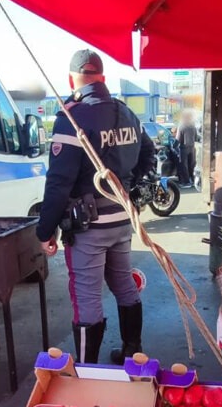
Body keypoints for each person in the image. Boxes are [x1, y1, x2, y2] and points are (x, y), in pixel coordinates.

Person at [37, 50, 156, 364]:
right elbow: (148, 155)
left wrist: (44, 230)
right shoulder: (127, 113)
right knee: (123, 285)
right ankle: (134, 354)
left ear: (72, 80)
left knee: (87, 299)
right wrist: (126, 188)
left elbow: (59, 182)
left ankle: (88, 370)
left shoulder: (72, 117)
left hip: (88, 227)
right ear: (102, 78)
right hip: (121, 220)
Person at [174, 110, 198, 189]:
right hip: (192, 148)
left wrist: (174, 146)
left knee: (183, 166)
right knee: (191, 165)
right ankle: (193, 180)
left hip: (183, 149)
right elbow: (196, 138)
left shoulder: (182, 126)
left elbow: (177, 139)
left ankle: (186, 182)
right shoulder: (193, 126)